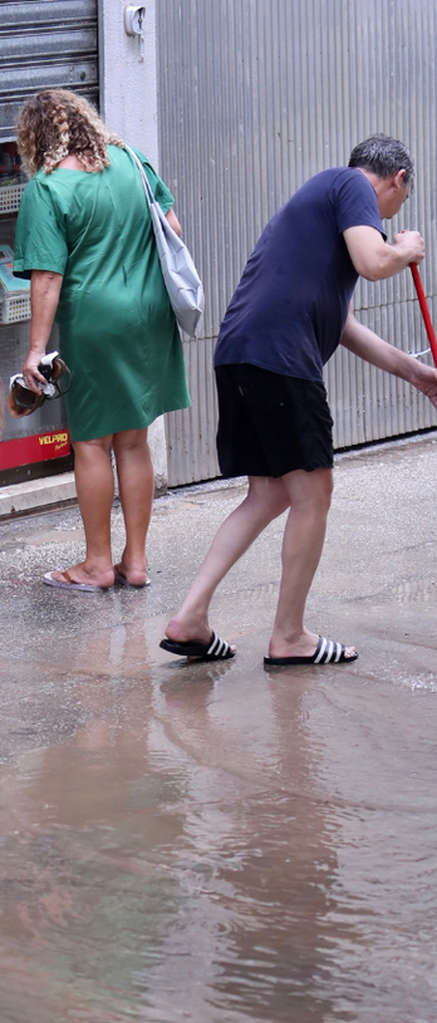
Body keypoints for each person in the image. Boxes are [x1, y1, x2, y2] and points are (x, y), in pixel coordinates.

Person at [161, 135, 437, 666]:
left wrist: (418, 374)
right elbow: (375, 261)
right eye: (403, 198)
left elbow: (344, 325)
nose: (394, 212)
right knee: (313, 493)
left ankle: (190, 618)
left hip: (241, 351)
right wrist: (405, 250)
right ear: (398, 179)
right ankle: (290, 637)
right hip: (281, 357)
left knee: (268, 494)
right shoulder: (352, 184)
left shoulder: (324, 208)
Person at [12, 89, 191, 591]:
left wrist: (35, 351)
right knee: (133, 438)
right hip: (150, 313)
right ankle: (135, 563)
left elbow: (47, 277)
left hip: (96, 318)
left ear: (36, 139)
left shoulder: (48, 189)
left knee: (91, 442)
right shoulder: (134, 163)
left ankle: (95, 565)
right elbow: (172, 227)